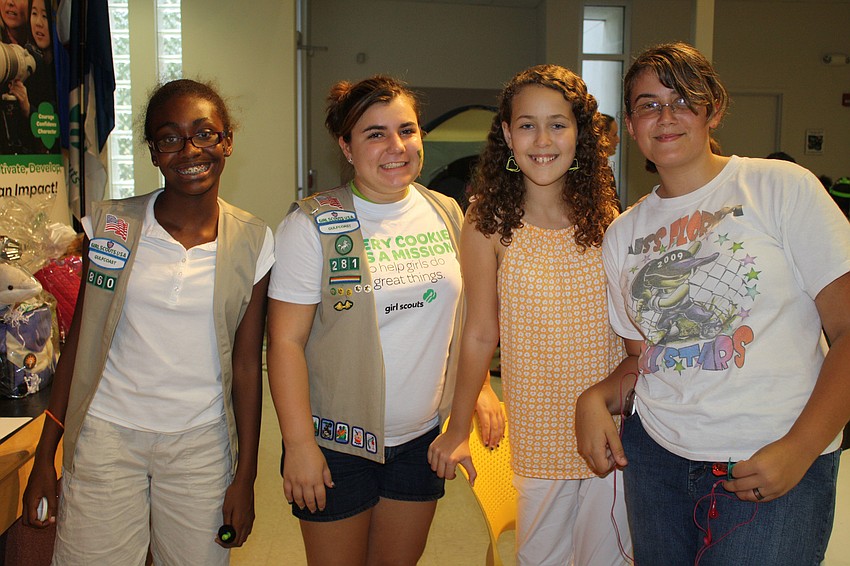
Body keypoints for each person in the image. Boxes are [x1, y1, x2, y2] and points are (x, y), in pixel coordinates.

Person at [576, 42, 850, 566]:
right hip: (656, 462)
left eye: (683, 99)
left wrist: (801, 449)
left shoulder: (779, 188)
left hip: (768, 455)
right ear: (631, 126)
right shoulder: (623, 233)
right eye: (648, 104)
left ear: (713, 108)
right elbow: (647, 358)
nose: (666, 116)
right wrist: (593, 398)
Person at [22, 78, 273, 565]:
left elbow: (247, 368)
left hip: (201, 445)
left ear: (227, 141)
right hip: (106, 438)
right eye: (170, 138)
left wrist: (245, 478)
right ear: (154, 153)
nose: (189, 150)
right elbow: (80, 345)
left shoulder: (254, 240)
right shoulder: (113, 226)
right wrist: (44, 458)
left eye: (203, 134)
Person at [266, 74, 504, 566]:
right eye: (375, 133)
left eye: (407, 130)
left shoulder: (446, 212)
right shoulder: (311, 224)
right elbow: (285, 343)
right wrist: (298, 445)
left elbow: (461, 320)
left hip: (421, 440)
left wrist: (477, 388)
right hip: (335, 443)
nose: (396, 146)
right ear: (347, 147)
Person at [428, 65, 630, 566]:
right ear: (506, 133)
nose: (543, 140)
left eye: (558, 124)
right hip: (538, 434)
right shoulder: (486, 221)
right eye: (527, 124)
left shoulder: (610, 218)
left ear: (580, 133)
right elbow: (478, 333)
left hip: (612, 431)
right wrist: (457, 427)